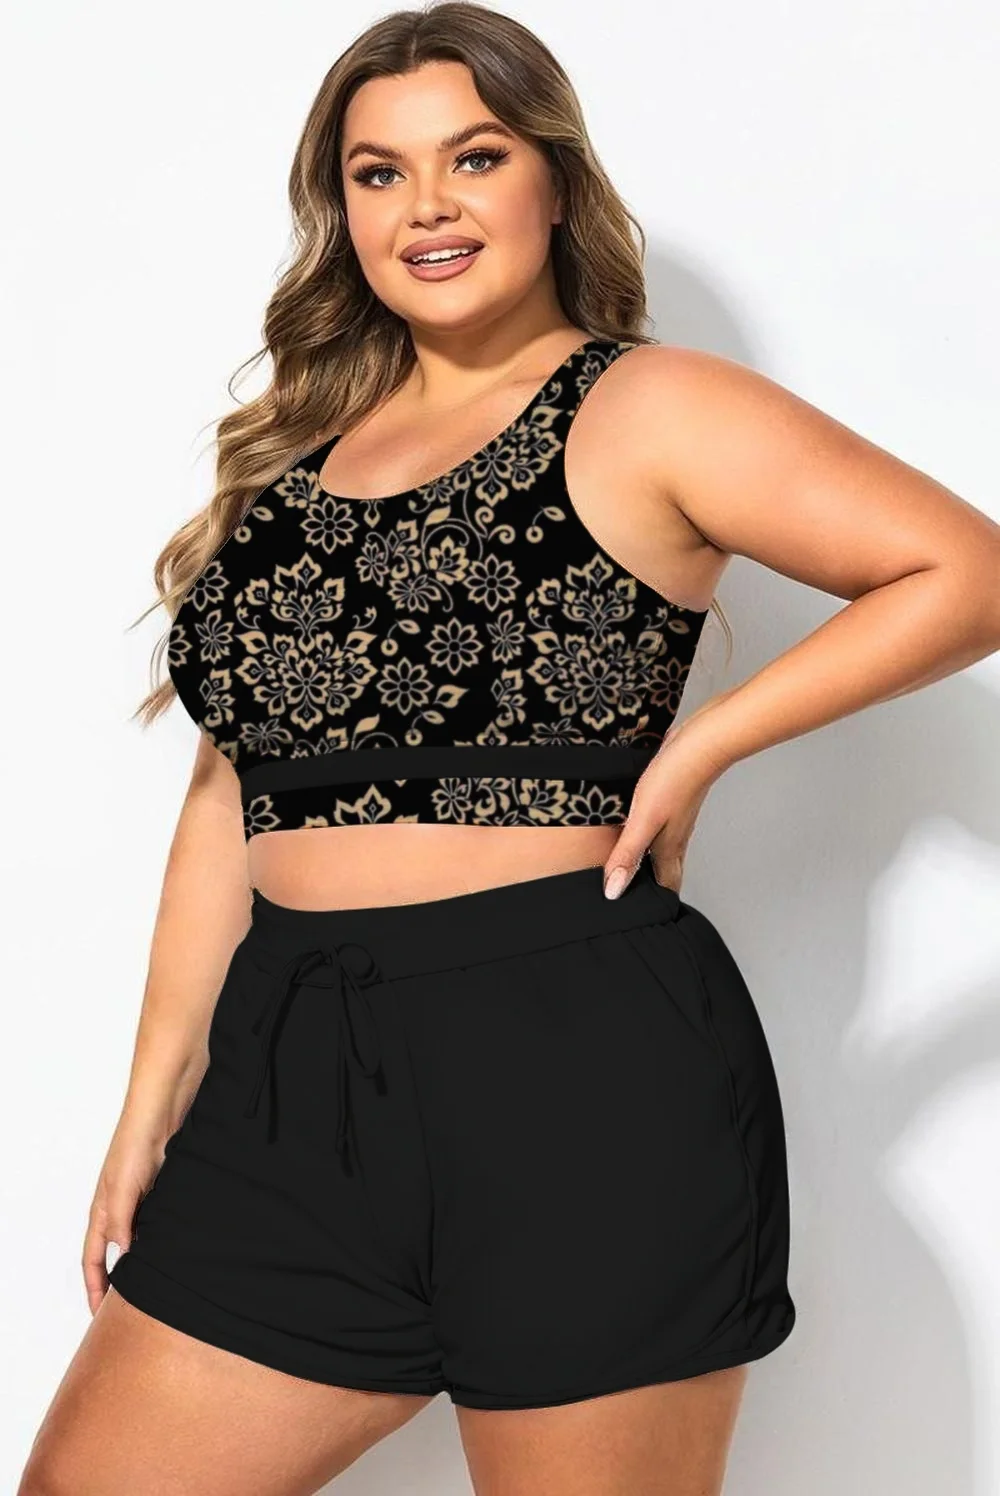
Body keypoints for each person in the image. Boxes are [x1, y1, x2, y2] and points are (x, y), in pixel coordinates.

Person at [18, 4, 1000, 1494]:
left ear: (553, 181)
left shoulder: (646, 405)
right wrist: (149, 1104)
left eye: (473, 158)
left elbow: (963, 571)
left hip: (579, 1073)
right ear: (342, 211)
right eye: (379, 172)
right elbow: (231, 794)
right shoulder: (296, 468)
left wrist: (700, 749)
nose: (428, 205)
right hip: (288, 1085)